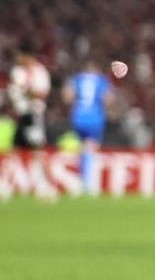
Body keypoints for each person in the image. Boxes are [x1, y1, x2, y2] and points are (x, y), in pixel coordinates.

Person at [64, 62, 113, 194]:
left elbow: (67, 97)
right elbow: (107, 99)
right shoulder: (102, 80)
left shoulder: (76, 79)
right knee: (90, 148)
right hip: (94, 117)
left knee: (79, 148)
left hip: (78, 116)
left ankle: (78, 180)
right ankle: (87, 182)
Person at [8, 49, 52, 185]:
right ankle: (6, 185)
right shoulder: (17, 71)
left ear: (27, 56)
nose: (17, 60)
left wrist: (26, 90)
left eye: (20, 56)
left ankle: (45, 184)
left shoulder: (40, 72)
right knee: (15, 150)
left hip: (33, 116)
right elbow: (13, 93)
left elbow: (41, 93)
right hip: (22, 115)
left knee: (37, 150)